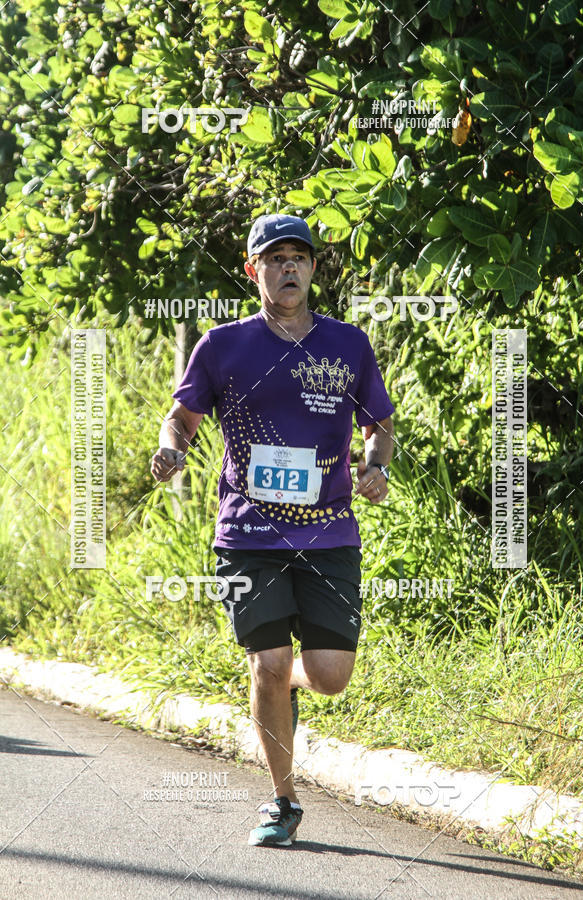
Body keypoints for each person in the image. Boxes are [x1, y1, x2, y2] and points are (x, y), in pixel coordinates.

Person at [151, 213, 394, 847]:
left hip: (330, 533)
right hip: (248, 533)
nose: (289, 267)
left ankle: (282, 681)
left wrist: (374, 466)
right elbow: (180, 419)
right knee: (269, 660)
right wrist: (172, 449)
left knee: (332, 674)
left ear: (314, 269)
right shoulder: (224, 345)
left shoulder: (348, 345)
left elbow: (380, 425)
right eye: (275, 257)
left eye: (300, 257)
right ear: (253, 268)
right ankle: (282, 802)